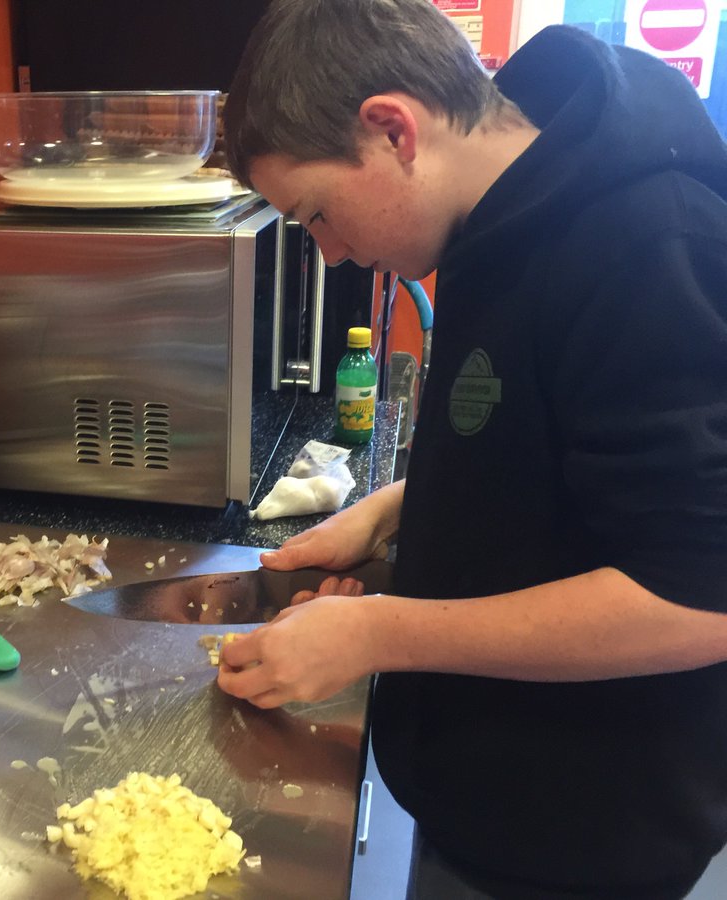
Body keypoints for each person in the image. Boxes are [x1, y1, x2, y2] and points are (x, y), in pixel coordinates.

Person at [214, 1, 727, 898]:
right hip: (480, 796)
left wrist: (377, 632)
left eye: (317, 213)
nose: (330, 255)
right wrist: (398, 506)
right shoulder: (494, 216)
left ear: (394, 130)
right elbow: (544, 440)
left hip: (579, 835)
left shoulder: (647, 244)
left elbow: (699, 596)